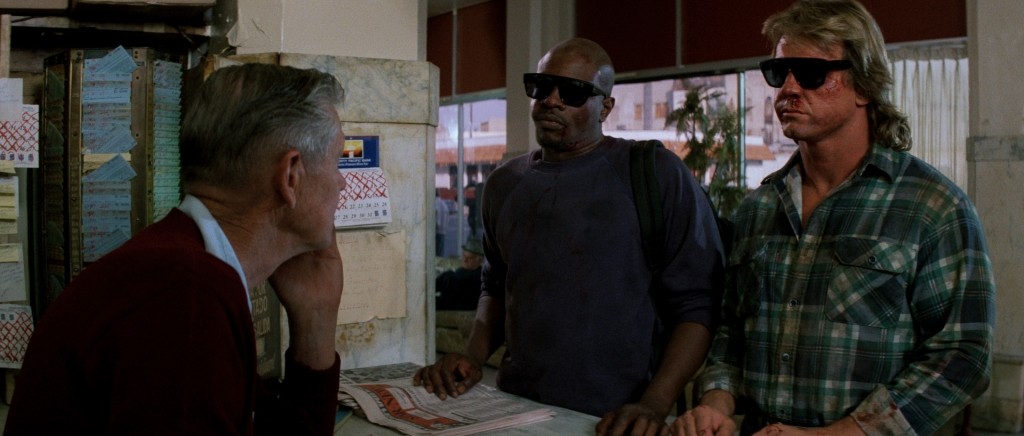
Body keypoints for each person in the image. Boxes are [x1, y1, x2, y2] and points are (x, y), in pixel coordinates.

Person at [674, 1, 996, 435]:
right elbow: (732, 331)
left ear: (863, 85)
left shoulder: (933, 207)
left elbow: (963, 357)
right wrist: (717, 402)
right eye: (778, 72)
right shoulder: (759, 210)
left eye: (811, 73)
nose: (788, 89)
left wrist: (834, 434)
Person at [6, 63, 348, 435]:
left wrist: (316, 318)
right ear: (291, 175)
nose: (342, 183)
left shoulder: (181, 268)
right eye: (336, 161)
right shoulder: (186, 292)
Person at [414, 37, 724, 436]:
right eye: (541, 86)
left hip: (618, 420)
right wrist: (472, 357)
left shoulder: (654, 174)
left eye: (572, 92)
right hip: (517, 408)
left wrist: (654, 404)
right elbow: (496, 284)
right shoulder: (504, 184)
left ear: (605, 107)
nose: (551, 101)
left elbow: (698, 305)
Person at [435, 237, 485, 311]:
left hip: (463, 303)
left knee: (449, 276)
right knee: (431, 301)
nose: (465, 260)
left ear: (479, 261)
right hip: (450, 300)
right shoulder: (461, 270)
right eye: (464, 256)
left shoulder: (481, 274)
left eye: (469, 258)